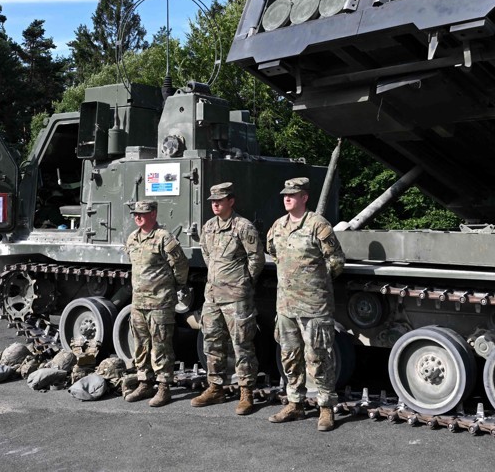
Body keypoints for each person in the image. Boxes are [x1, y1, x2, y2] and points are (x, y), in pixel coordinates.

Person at [266, 177, 345, 432]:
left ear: (304, 198)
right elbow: (273, 253)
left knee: (318, 358)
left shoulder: (318, 225)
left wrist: (315, 283)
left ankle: (325, 407)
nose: (287, 197)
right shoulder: (278, 226)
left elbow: (336, 261)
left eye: (293, 194)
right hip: (286, 305)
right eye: (285, 194)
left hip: (313, 305)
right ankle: (295, 403)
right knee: (290, 357)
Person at [190, 182, 265, 415]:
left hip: (236, 298)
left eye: (219, 201)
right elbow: (206, 255)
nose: (215, 205)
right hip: (212, 296)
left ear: (231, 201)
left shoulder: (243, 227)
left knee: (241, 344)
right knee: (212, 342)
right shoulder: (209, 227)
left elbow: (257, 259)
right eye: (212, 201)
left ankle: (246, 392)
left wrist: (242, 281)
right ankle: (216, 388)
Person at [123, 199, 189, 407]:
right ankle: (144, 383)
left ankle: (163, 388)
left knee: (161, 346)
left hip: (160, 302)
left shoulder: (164, 238)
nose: (138, 216)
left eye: (142, 213)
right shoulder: (133, 238)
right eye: (135, 213)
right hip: (138, 302)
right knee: (140, 345)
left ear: (154, 214)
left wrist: (176, 286)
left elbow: (180, 265)